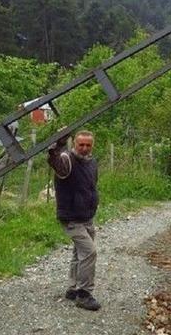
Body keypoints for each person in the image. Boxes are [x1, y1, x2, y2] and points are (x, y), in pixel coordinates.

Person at [48, 130, 101, 311]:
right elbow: (55, 160)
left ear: (92, 146)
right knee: (89, 252)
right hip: (71, 218)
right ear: (74, 144)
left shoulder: (91, 162)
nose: (84, 148)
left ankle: (72, 288)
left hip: (86, 217)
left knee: (79, 253)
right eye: (81, 145)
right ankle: (84, 294)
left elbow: (91, 187)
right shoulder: (67, 160)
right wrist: (59, 141)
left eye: (88, 145)